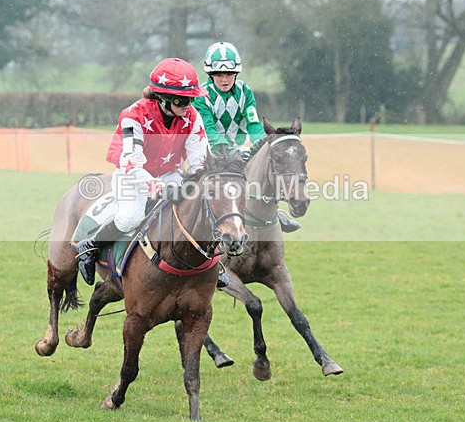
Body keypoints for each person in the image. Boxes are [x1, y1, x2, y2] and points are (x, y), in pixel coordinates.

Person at [74, 57, 227, 285]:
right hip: (131, 176)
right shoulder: (133, 115)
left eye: (191, 99)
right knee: (130, 218)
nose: (188, 105)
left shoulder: (192, 117)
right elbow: (132, 163)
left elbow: (199, 160)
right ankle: (90, 246)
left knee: (197, 207)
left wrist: (202, 183)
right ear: (163, 98)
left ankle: (212, 261)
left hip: (171, 174)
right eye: (182, 100)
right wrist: (157, 188)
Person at [195, 41, 300, 233]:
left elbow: (253, 123)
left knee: (263, 169)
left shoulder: (245, 91)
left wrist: (263, 145)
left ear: (236, 73)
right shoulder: (201, 95)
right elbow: (210, 131)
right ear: (210, 74)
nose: (224, 79)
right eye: (219, 74)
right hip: (209, 151)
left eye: (229, 74)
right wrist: (231, 153)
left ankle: (275, 213)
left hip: (238, 149)